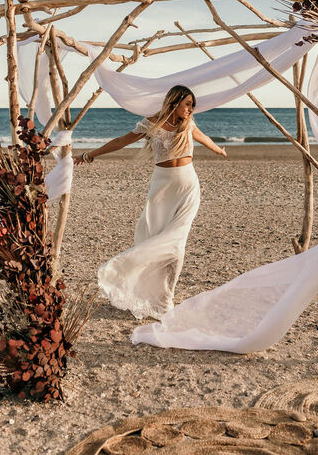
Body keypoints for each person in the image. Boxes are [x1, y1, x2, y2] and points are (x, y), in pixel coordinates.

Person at [73, 85, 227, 319]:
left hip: (188, 187)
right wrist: (88, 155)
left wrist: (219, 150)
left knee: (177, 242)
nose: (190, 109)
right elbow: (120, 142)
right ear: (174, 102)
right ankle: (136, 281)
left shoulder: (188, 125)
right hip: (162, 189)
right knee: (152, 235)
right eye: (187, 104)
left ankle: (167, 299)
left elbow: (203, 138)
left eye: (192, 105)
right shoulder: (150, 124)